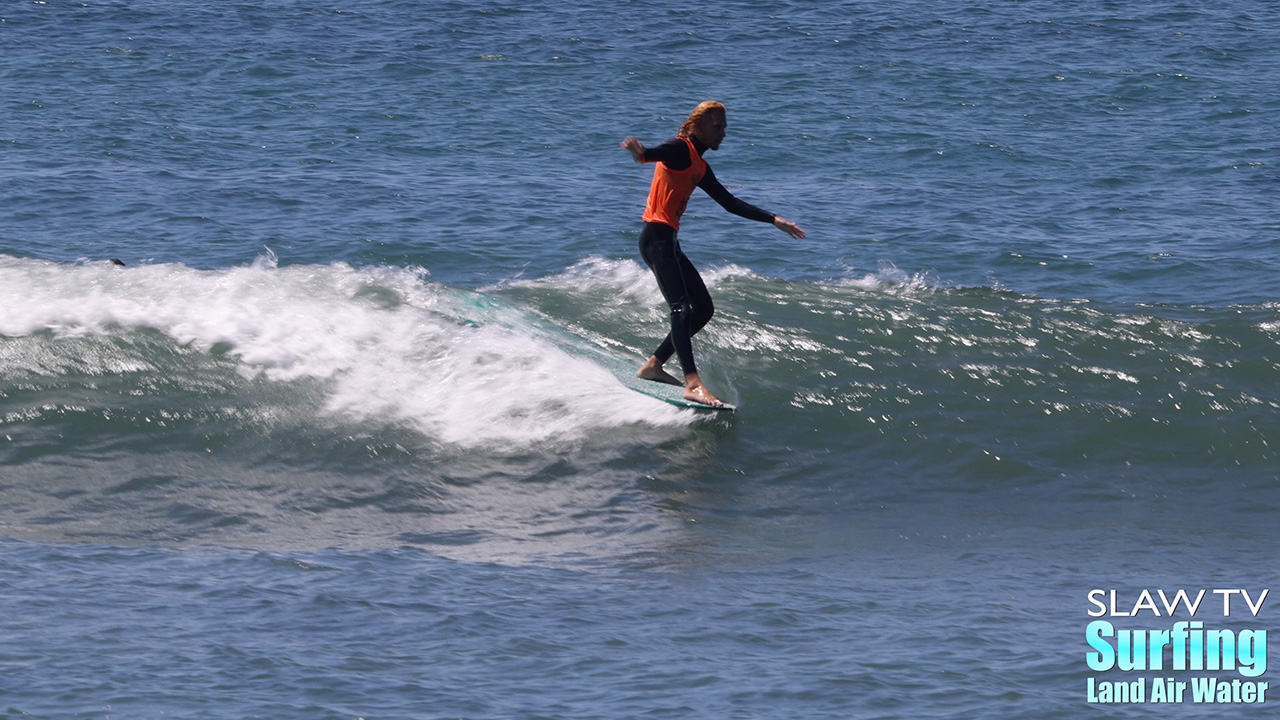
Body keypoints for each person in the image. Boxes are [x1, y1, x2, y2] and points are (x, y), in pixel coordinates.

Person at [621, 100, 805, 407]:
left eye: (724, 128)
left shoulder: (699, 165)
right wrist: (642, 153)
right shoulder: (680, 149)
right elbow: (657, 153)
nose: (722, 133)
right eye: (716, 127)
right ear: (697, 127)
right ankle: (692, 383)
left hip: (670, 241)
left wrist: (774, 220)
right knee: (682, 309)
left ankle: (653, 366)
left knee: (703, 309)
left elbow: (730, 202)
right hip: (656, 238)